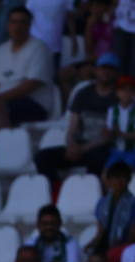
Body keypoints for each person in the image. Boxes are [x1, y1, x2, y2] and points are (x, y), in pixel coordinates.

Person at [36, 51, 116, 187]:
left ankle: (90, 193)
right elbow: (72, 125)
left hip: (100, 148)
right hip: (79, 146)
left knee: (99, 158)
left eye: (110, 69)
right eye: (103, 68)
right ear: (96, 70)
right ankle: (56, 191)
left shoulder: (118, 98)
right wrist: (71, 145)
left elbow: (109, 136)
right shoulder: (83, 93)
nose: (106, 72)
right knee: (42, 157)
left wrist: (83, 149)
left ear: (116, 73)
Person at [0, 6, 53, 133]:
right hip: (4, 100)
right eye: (14, 22)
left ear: (30, 25)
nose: (18, 26)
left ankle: (5, 146)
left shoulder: (40, 48)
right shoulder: (0, 51)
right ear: (8, 25)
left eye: (22, 22)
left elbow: (31, 84)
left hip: (34, 103)